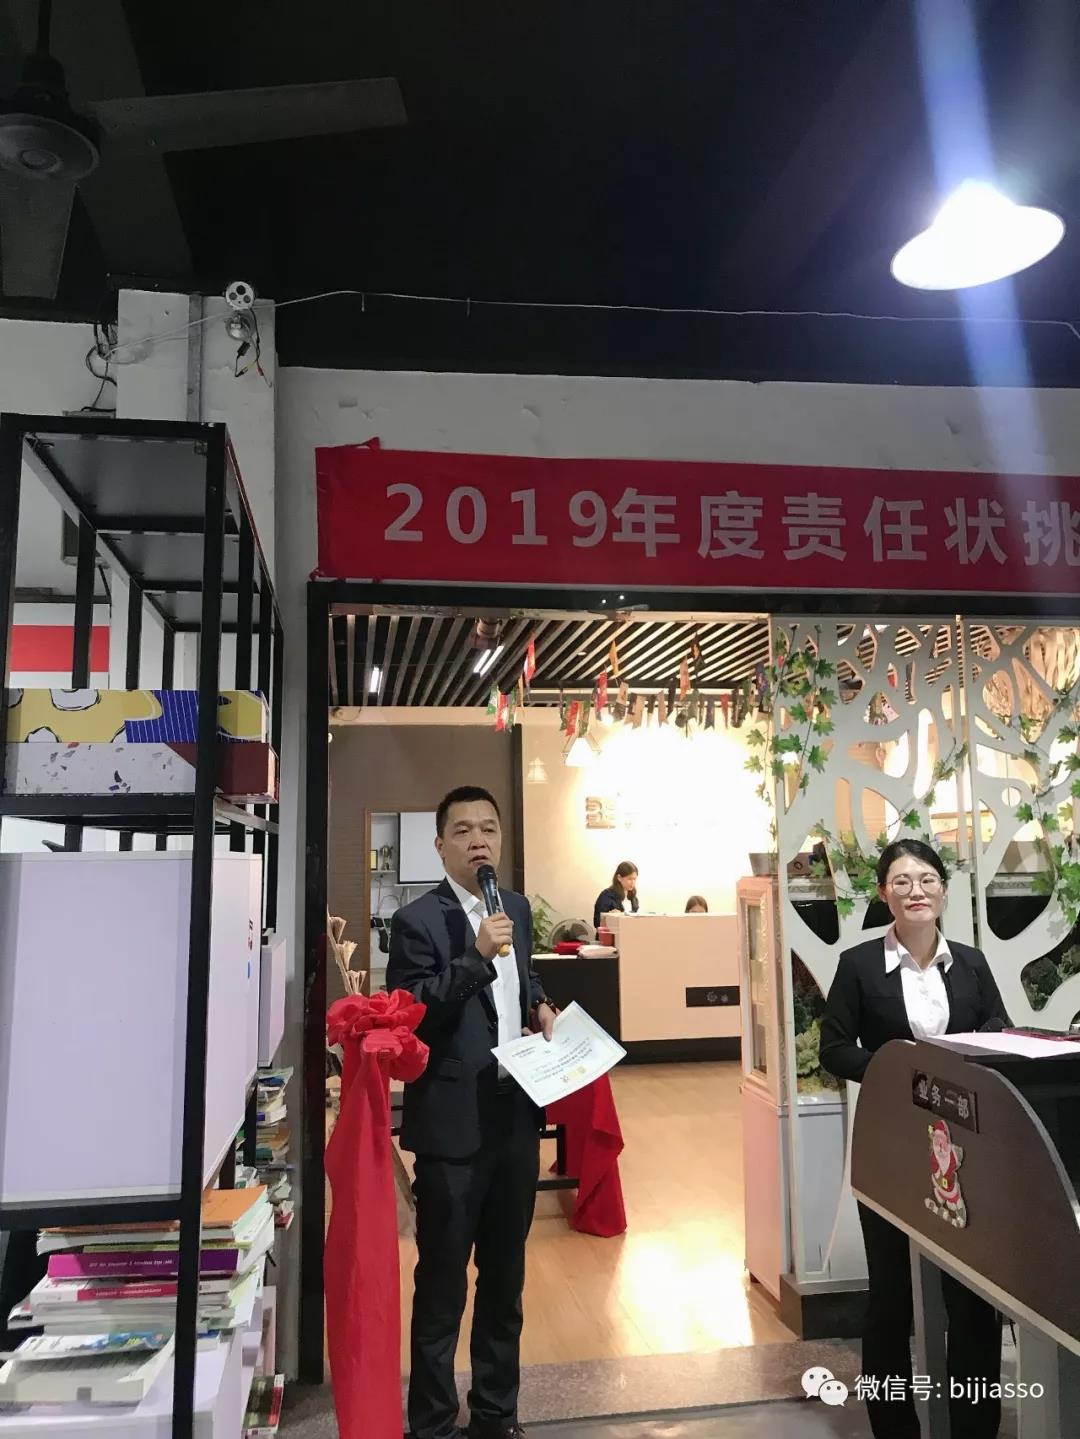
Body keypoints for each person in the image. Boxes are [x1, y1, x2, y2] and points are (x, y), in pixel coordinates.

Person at [820, 838, 1010, 1439]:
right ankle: (892, 1425)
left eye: (926, 880)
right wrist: (899, 1069)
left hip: (963, 1150)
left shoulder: (971, 964)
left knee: (972, 1297)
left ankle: (974, 1425)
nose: (915, 891)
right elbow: (834, 1048)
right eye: (901, 881)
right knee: (891, 1296)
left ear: (943, 892)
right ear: (884, 894)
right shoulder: (858, 965)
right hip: (891, 1146)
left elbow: (999, 1030)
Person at [387, 785, 557, 1439]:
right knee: (441, 1286)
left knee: (505, 1281)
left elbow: (526, 979)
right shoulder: (417, 920)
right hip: (451, 1128)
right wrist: (476, 956)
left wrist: (540, 1005)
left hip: (515, 1118)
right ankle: (431, 1423)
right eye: (463, 830)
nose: (478, 840)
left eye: (488, 828)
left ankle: (495, 1414)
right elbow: (412, 1013)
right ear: (440, 845)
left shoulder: (515, 907)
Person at [593, 860, 639, 931]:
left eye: (634, 879)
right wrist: (611, 917)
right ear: (619, 878)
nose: (633, 882)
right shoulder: (606, 895)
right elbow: (597, 923)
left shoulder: (633, 897)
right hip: (612, 935)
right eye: (629, 879)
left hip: (629, 934)